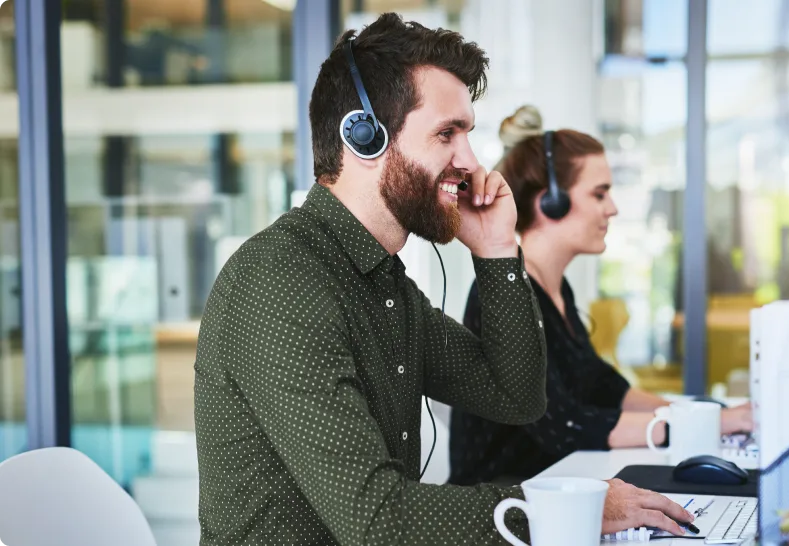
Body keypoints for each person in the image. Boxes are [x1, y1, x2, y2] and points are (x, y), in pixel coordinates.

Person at [194, 14, 694, 546]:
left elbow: (517, 397)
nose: (471, 162)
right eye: (446, 134)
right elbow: (378, 519)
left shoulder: (386, 285)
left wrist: (499, 253)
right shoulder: (281, 281)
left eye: (468, 134)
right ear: (364, 137)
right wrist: (565, 509)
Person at [448, 106, 754, 486]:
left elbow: (607, 389)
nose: (613, 208)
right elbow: (565, 425)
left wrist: (710, 416)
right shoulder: (502, 294)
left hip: (557, 487)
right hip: (502, 508)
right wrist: (714, 422)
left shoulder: (556, 289)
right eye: (599, 193)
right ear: (550, 202)